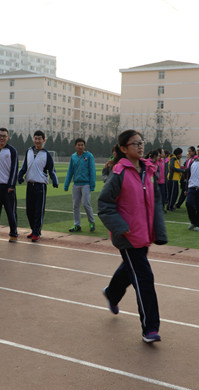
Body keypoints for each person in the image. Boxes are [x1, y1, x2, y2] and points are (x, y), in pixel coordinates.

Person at [98, 130, 167, 343]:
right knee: (144, 277)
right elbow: (104, 204)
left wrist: (158, 230)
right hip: (127, 235)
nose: (140, 146)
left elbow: (156, 201)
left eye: (141, 142)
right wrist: (121, 227)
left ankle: (112, 293)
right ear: (123, 149)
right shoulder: (119, 172)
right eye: (135, 143)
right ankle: (150, 328)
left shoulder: (148, 169)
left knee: (131, 270)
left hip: (143, 233)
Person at [17, 130, 59, 242]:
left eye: (39, 139)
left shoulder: (46, 154)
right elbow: (24, 166)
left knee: (38, 211)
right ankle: (34, 229)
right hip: (30, 185)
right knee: (29, 210)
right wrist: (20, 176)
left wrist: (55, 180)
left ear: (43, 140)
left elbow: (51, 169)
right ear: (33, 139)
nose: (37, 141)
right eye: (35, 138)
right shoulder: (29, 151)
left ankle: (36, 232)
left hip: (40, 186)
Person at [64, 138, 96, 232]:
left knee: (86, 203)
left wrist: (92, 185)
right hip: (76, 185)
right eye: (79, 145)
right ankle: (77, 225)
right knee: (76, 206)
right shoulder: (73, 157)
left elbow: (92, 171)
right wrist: (66, 184)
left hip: (86, 184)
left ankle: (91, 222)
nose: (80, 146)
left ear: (84, 146)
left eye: (82, 145)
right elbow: (70, 171)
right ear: (75, 146)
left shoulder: (89, 156)